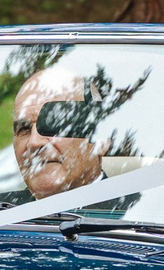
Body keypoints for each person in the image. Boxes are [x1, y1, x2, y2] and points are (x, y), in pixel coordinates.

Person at [11, 68, 107, 197]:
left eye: (53, 125)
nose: (34, 142)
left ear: (101, 141)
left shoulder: (136, 213)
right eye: (24, 129)